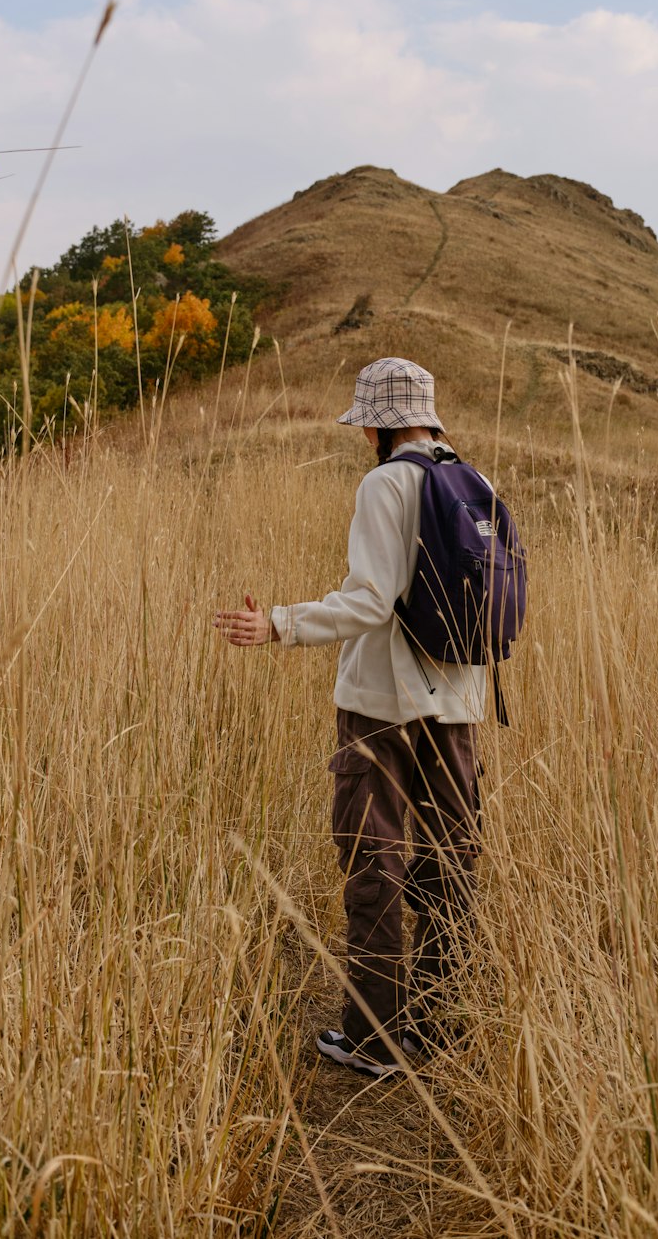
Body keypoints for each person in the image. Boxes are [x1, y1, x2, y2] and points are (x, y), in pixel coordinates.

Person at [214, 357, 485, 1078]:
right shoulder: (475, 481)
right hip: (458, 704)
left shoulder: (385, 482)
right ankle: (441, 1023)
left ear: (377, 421)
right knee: (450, 859)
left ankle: (373, 1038)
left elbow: (369, 600)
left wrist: (279, 624)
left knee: (375, 860)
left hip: (382, 705)